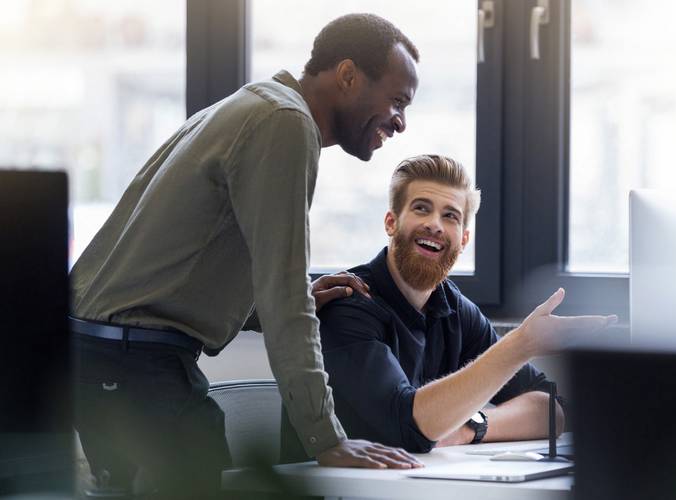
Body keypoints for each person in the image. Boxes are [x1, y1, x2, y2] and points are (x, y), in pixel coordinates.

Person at [70, 13, 422, 499]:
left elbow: (186, 261)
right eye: (397, 101)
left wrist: (259, 309)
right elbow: (286, 299)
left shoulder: (254, 105)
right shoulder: (286, 124)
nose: (401, 122)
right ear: (347, 76)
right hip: (135, 366)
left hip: (110, 358)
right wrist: (327, 438)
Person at [315, 155, 617, 452]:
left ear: (463, 240)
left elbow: (554, 408)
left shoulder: (455, 309)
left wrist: (473, 426)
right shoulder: (348, 301)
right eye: (421, 209)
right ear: (391, 222)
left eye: (450, 216)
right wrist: (520, 344)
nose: (435, 225)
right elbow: (408, 425)